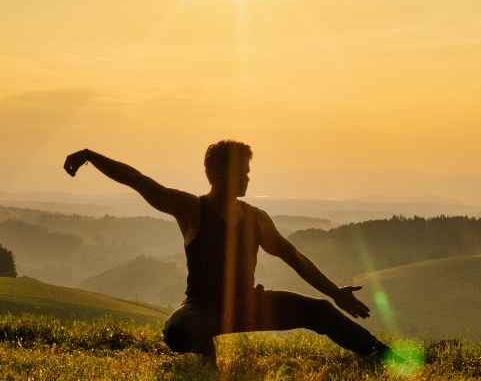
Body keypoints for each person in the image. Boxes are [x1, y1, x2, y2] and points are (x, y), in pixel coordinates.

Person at [63, 141, 393, 363]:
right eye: (242, 171)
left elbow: (295, 257)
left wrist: (335, 292)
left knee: (320, 311)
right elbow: (138, 180)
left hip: (249, 304)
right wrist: (91, 156)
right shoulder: (192, 209)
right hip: (203, 307)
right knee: (177, 331)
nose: (248, 177)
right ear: (220, 174)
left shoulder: (255, 218)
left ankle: (383, 356)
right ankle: (205, 350)